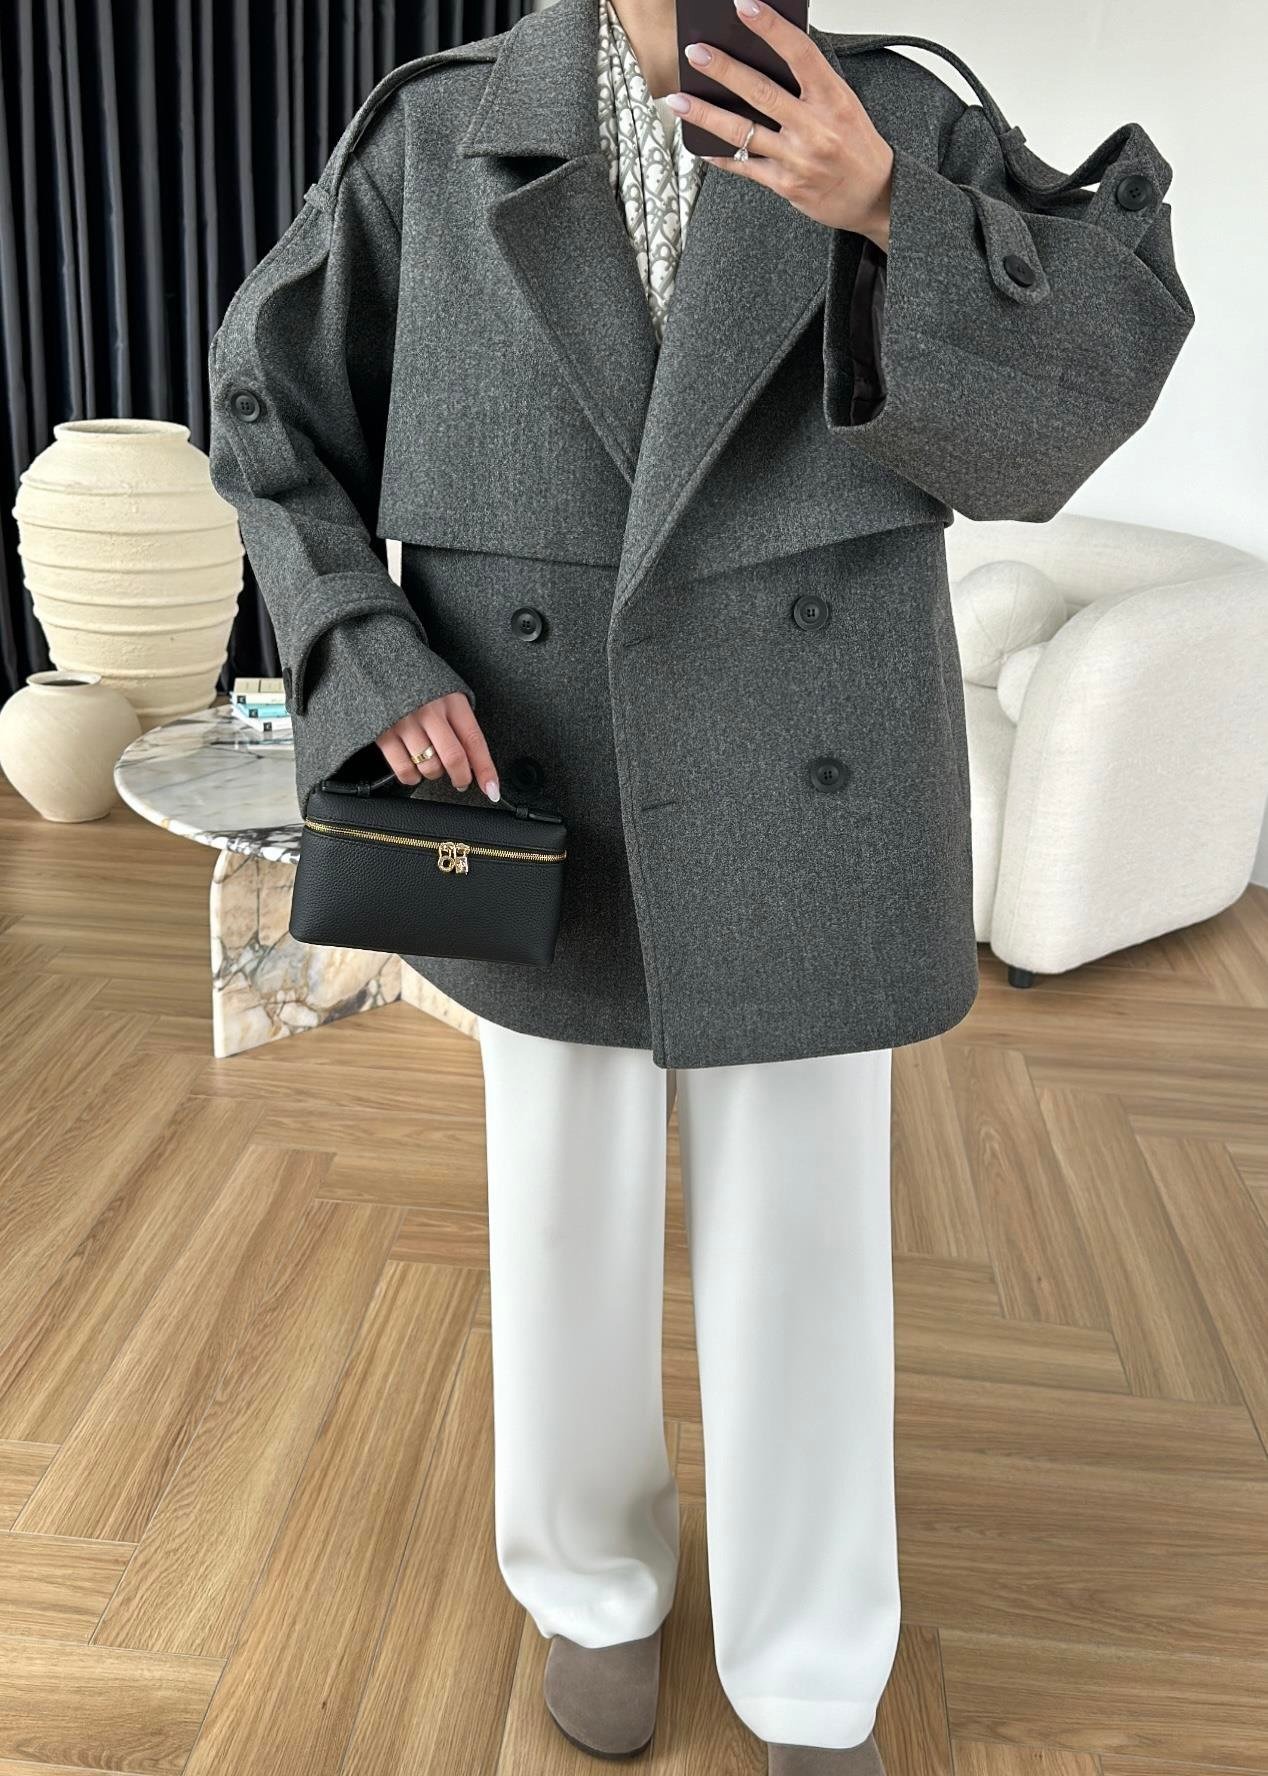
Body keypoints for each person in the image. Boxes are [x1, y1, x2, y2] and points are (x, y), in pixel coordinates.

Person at [207, 0, 1193, 1767]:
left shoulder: (894, 113)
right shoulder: (440, 134)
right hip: (535, 761)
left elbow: (1083, 394)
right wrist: (365, 643)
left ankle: (811, 1659)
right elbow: (269, 408)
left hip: (815, 766)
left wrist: (891, 209)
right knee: (561, 1221)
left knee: (806, 1241)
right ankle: (591, 1587)